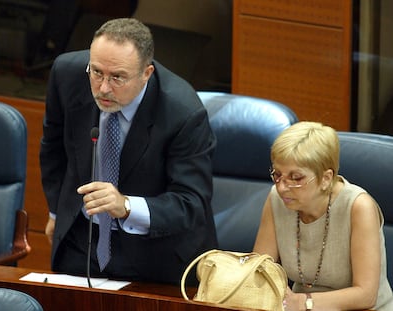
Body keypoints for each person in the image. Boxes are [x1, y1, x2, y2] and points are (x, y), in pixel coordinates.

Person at [39, 18, 218, 284]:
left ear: (147, 73)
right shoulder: (66, 74)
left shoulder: (183, 113)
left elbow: (191, 203)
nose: (103, 88)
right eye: (97, 72)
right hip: (82, 241)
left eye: (118, 77)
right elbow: (53, 148)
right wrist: (56, 212)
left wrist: (125, 206)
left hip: (156, 254)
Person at [253, 121, 393, 310]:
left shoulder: (359, 207)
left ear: (326, 178)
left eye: (296, 178)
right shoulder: (276, 199)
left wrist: (302, 302)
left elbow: (366, 296)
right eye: (277, 175)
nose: (282, 187)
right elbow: (260, 269)